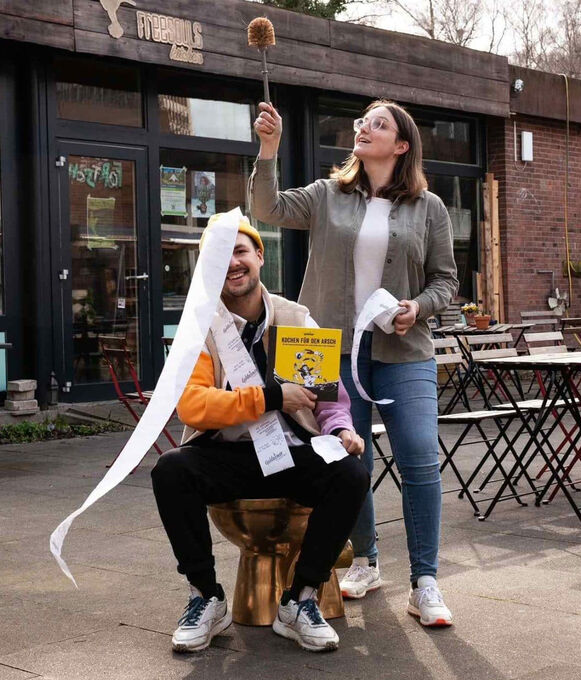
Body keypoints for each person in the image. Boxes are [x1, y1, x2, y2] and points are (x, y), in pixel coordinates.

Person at [250, 99, 458, 627]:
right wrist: (269, 150)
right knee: (345, 459)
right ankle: (364, 560)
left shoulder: (430, 207)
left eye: (378, 124)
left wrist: (419, 307)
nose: (364, 127)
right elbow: (266, 209)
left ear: (402, 145)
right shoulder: (327, 194)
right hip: (326, 350)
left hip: (404, 351)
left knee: (419, 458)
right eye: (364, 121)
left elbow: (446, 280)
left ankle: (425, 582)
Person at [150, 215, 369, 654]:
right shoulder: (201, 327)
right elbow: (193, 406)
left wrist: (341, 429)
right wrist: (271, 397)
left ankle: (300, 599)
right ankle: (205, 596)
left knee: (351, 474)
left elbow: (329, 399)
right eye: (220, 256)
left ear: (259, 256)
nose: (232, 263)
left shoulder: (295, 318)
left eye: (240, 251)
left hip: (291, 451)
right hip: (227, 454)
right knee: (170, 470)